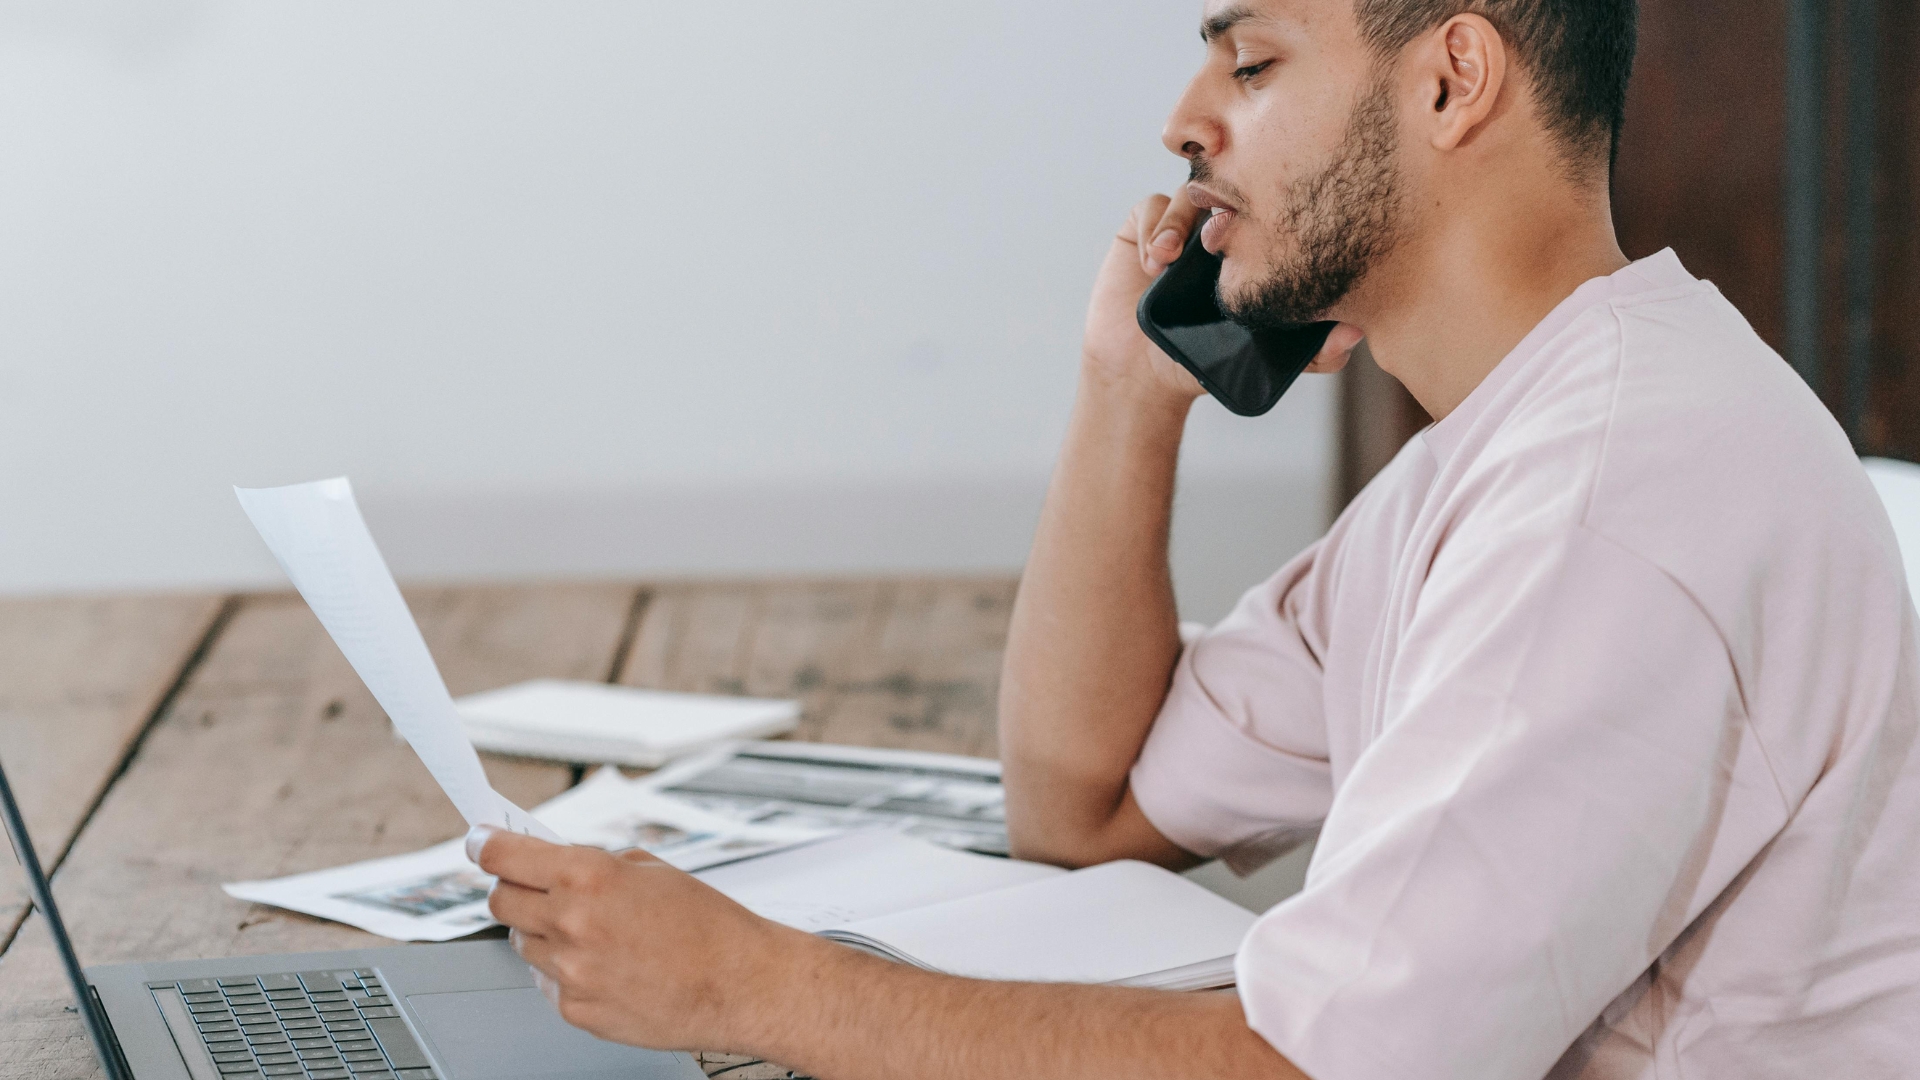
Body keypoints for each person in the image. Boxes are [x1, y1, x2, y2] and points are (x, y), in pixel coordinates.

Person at [469, 1, 1920, 1076]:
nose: (1185, 116)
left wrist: (755, 992)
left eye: (1252, 59)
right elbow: (1084, 808)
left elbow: (1316, 1073)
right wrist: (1128, 394)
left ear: (1453, 80)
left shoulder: (1608, 505)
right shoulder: (1502, 454)